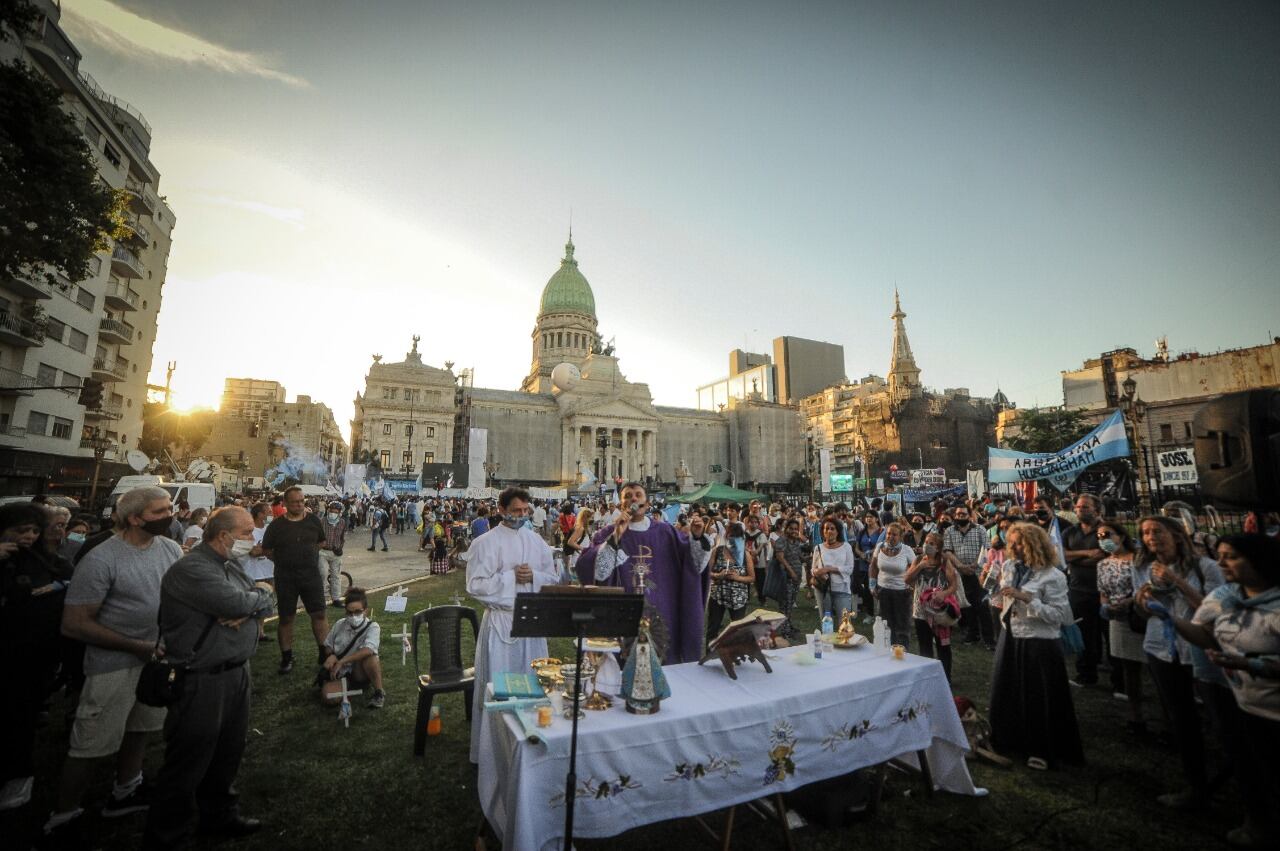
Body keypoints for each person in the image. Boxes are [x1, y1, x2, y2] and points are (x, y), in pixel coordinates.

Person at [44, 487, 183, 842]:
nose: (170, 514)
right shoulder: (103, 558)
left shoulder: (168, 548)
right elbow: (74, 623)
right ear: (135, 518)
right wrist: (134, 645)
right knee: (90, 744)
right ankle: (64, 815)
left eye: (170, 507)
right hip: (113, 665)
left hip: (154, 659)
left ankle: (126, 790)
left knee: (140, 728)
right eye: (160, 510)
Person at [141, 507, 274, 848]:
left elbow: (265, 596)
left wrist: (253, 602)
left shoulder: (228, 565)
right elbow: (236, 602)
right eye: (246, 533)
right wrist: (250, 603)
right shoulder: (194, 569)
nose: (252, 539)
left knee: (228, 752)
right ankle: (170, 834)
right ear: (223, 535)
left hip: (235, 673)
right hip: (201, 677)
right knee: (189, 758)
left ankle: (219, 815)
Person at [1175, 534, 1280, 847]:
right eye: (1219, 555)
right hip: (1244, 702)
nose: (1221, 563)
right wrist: (1165, 616)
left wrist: (1252, 664)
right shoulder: (1223, 596)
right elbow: (1204, 634)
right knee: (1252, 767)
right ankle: (1257, 822)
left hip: (1274, 705)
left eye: (1231, 556)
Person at [1132, 515, 1227, 810]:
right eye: (1145, 533)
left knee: (1221, 719)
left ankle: (1235, 780)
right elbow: (1147, 613)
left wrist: (1175, 580)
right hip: (1161, 646)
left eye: (1157, 532)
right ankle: (1195, 785)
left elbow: (1214, 610)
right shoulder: (1143, 567)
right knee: (1180, 718)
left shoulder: (1205, 567)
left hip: (1200, 648)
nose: (1151, 538)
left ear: (1176, 535)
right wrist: (1143, 602)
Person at [465, 487, 558, 763]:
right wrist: (510, 578)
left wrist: (534, 577)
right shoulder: (485, 543)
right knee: (500, 680)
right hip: (503, 621)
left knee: (533, 679)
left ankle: (533, 736)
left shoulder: (537, 541)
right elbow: (475, 586)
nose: (522, 515)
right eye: (516, 510)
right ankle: (494, 748)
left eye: (525, 510)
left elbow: (552, 578)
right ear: (501, 510)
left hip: (531, 620)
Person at [576, 482, 712, 664]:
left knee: (662, 662)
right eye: (628, 496)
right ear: (621, 504)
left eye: (638, 495)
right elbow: (598, 573)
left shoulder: (666, 532)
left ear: (647, 503)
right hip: (623, 615)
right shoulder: (608, 533)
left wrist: (696, 537)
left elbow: (695, 565)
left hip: (663, 613)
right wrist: (616, 536)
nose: (633, 498)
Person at [989, 522, 1083, 770]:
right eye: (1012, 542)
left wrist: (1028, 599)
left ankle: (1041, 746)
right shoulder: (1011, 567)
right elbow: (1003, 596)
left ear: (1034, 545)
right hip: (1012, 636)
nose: (1014, 548)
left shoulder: (1053, 576)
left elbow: (1058, 616)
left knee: (1037, 696)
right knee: (1007, 689)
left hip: (1040, 641)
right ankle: (1009, 739)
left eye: (1019, 543)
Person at [0, 504, 71, 812]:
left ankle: (17, 773)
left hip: (29, 656)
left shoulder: (44, 561)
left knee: (21, 716)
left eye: (33, 531)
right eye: (20, 530)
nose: (28, 537)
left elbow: (67, 579)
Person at [260, 485, 329, 675]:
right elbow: (266, 550)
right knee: (286, 617)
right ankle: (287, 657)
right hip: (285, 577)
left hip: (310, 575)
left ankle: (324, 653)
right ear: (285, 503)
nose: (299, 505)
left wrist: (309, 554)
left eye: (302, 501)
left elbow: (321, 541)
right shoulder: (276, 525)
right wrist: (282, 560)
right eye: (295, 502)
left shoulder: (313, 520)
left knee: (319, 614)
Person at [1094, 520, 1146, 733]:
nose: (1103, 539)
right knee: (1129, 668)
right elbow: (1103, 591)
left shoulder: (1139, 561)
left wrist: (1131, 601)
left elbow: (1147, 586)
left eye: (1107, 534)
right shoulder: (1103, 564)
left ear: (1122, 536)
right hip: (1118, 619)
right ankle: (1136, 715)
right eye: (1100, 537)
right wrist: (1106, 606)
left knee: (1152, 666)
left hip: (1142, 615)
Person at [1062, 494, 1106, 684]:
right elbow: (1062, 556)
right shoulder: (1070, 533)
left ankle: (1118, 678)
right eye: (1078, 507)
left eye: (1085, 507)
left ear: (1097, 510)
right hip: (1078, 589)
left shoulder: (1105, 531)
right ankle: (1086, 674)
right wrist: (1087, 553)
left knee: (1108, 634)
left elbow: (1104, 555)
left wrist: (1076, 558)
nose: (1080, 510)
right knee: (1083, 633)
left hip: (1104, 590)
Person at [906, 531, 961, 681]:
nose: (927, 546)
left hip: (939, 613)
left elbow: (953, 584)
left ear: (938, 548)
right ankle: (928, 678)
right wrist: (920, 566)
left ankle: (945, 678)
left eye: (932, 544)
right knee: (925, 647)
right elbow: (907, 579)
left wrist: (944, 594)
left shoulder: (944, 561)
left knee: (943, 647)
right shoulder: (918, 559)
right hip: (921, 612)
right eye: (926, 542)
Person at [321, 586, 385, 708]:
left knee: (371, 657)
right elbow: (328, 645)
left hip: (359, 669)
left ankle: (379, 692)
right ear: (345, 611)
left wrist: (342, 661)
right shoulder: (339, 624)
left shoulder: (373, 627)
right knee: (328, 697)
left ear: (365, 610)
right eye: (350, 612)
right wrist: (331, 655)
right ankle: (346, 688)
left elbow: (369, 649)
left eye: (358, 612)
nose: (353, 616)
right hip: (341, 672)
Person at [705, 522, 754, 645]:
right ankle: (710, 655)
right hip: (718, 595)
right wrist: (718, 575)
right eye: (730, 536)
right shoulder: (717, 551)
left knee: (737, 629)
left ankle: (734, 656)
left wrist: (737, 577)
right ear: (726, 536)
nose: (733, 540)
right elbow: (706, 573)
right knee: (713, 628)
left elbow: (751, 578)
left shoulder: (745, 554)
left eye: (736, 537)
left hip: (738, 597)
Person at [870, 522, 915, 648]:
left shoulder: (907, 550)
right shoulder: (879, 547)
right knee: (885, 624)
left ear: (901, 536)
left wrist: (911, 585)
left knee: (902, 626)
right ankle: (885, 651)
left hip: (902, 592)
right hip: (883, 590)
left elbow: (915, 569)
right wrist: (872, 584)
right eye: (888, 533)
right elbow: (873, 566)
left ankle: (902, 652)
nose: (890, 536)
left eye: (894, 534)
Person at [811, 518, 855, 622]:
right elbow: (813, 569)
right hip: (823, 589)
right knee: (826, 621)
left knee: (844, 622)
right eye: (826, 528)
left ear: (838, 531)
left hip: (842, 589)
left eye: (832, 528)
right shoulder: (818, 548)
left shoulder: (846, 547)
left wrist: (829, 569)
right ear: (822, 531)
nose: (829, 531)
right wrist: (818, 572)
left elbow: (849, 569)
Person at [771, 518, 805, 641]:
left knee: (790, 604)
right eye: (791, 528)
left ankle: (788, 626)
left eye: (796, 529)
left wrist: (808, 557)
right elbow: (780, 558)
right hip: (786, 577)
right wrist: (791, 572)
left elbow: (799, 556)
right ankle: (783, 630)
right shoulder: (782, 541)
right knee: (785, 604)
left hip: (796, 578)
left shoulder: (795, 541)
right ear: (786, 529)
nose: (794, 531)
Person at [852, 513, 883, 623]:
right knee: (867, 590)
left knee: (880, 589)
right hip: (864, 565)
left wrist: (872, 556)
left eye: (871, 516)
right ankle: (869, 614)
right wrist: (862, 555)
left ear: (876, 518)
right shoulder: (862, 532)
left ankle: (880, 614)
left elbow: (883, 546)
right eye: (867, 516)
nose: (869, 518)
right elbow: (856, 548)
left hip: (878, 565)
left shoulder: (881, 531)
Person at [320, 500, 348, 607]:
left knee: (336, 576)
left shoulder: (342, 522)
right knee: (322, 573)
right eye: (331, 511)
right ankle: (321, 599)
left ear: (339, 513)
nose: (333, 513)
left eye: (335, 512)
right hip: (322, 552)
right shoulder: (322, 521)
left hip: (336, 553)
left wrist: (340, 547)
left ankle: (336, 599)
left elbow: (342, 538)